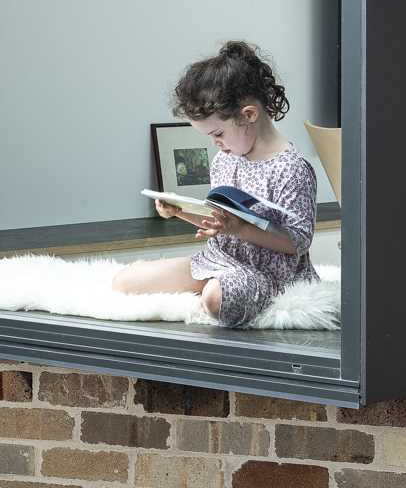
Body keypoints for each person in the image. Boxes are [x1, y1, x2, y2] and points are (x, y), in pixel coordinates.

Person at [113, 40, 317, 327]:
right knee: (124, 282)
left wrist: (242, 229)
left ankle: (215, 285)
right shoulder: (225, 159)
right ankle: (211, 279)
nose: (215, 144)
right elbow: (218, 220)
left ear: (249, 115)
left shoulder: (293, 168)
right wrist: (179, 210)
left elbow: (298, 241)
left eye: (218, 133)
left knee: (214, 299)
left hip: (268, 272)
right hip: (220, 257)